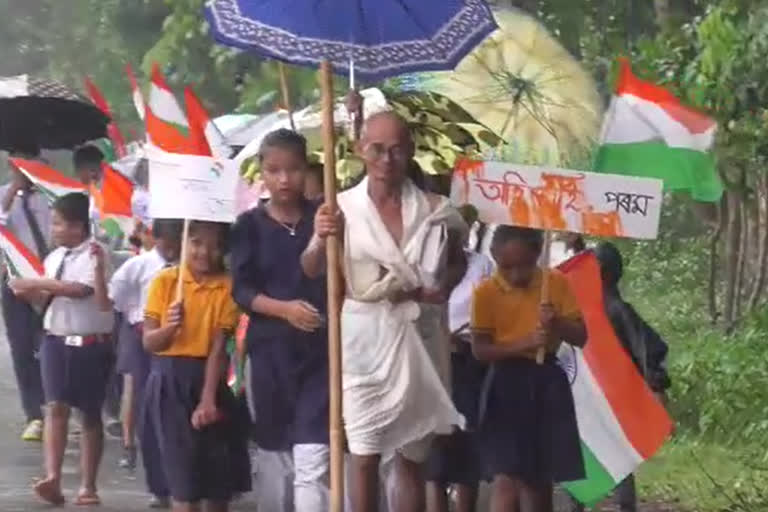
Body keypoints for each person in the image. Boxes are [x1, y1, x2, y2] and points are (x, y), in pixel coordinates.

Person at [303, 112, 468, 512]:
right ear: (361, 150)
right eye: (377, 149)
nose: (386, 159)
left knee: (412, 454)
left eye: (396, 149)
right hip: (363, 337)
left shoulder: (435, 208)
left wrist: (442, 287)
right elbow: (311, 267)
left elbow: (458, 261)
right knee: (364, 451)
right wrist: (320, 236)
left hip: (419, 332)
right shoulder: (338, 208)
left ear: (410, 152)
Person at [230, 129, 330, 512]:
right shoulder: (248, 226)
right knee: (274, 453)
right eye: (275, 170)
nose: (285, 179)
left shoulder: (322, 219)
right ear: (263, 174)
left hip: (318, 354)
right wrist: (285, 309)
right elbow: (242, 291)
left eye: (293, 169)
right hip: (270, 352)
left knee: (313, 453)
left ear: (306, 170)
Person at [471, 225, 587, 512]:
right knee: (507, 474)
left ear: (537, 254)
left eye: (522, 266)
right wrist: (524, 343)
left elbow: (581, 337)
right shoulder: (486, 292)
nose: (513, 275)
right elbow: (480, 350)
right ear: (495, 258)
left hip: (545, 379)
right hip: (505, 382)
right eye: (505, 266)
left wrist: (556, 323)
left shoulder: (555, 283)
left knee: (538, 476)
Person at [9, 192, 114, 506]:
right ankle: (52, 476)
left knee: (90, 414)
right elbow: (46, 300)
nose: (53, 229)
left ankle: (88, 484)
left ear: (78, 225)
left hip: (91, 343)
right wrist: (25, 291)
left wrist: (36, 283)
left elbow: (80, 290)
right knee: (55, 408)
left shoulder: (97, 254)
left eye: (58, 223)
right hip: (56, 340)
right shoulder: (53, 259)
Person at [143, 220, 251, 512]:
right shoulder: (166, 282)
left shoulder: (228, 286)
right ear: (184, 243)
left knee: (218, 481)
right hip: (169, 380)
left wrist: (208, 400)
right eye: (197, 243)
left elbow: (220, 347)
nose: (205, 252)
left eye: (215, 246)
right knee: (183, 482)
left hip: (212, 378)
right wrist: (170, 327)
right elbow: (150, 342)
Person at [583, 242, 671, 512]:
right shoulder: (589, 308)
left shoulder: (616, 310)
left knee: (603, 458)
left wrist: (656, 384)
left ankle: (620, 506)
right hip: (596, 395)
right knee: (604, 457)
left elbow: (647, 348)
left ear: (604, 273)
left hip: (612, 396)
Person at [109, 219, 183, 508]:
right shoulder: (137, 266)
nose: (171, 248)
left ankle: (180, 480)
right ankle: (158, 485)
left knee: (174, 411)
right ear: (154, 238)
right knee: (146, 410)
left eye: (176, 242)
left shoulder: (188, 268)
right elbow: (120, 301)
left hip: (178, 341)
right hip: (143, 337)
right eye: (166, 242)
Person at [425, 206, 494, 512]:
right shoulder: (422, 266)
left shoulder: (482, 265)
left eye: (458, 229)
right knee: (434, 450)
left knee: (467, 445)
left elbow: (493, 313)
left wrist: (466, 336)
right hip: (430, 362)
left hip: (469, 364)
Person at [0, 147, 50, 442]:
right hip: (14, 281)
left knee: (48, 347)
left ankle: (55, 404)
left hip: (48, 281)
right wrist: (12, 194)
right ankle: (34, 413)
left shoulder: (51, 196)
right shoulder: (4, 195)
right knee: (21, 349)